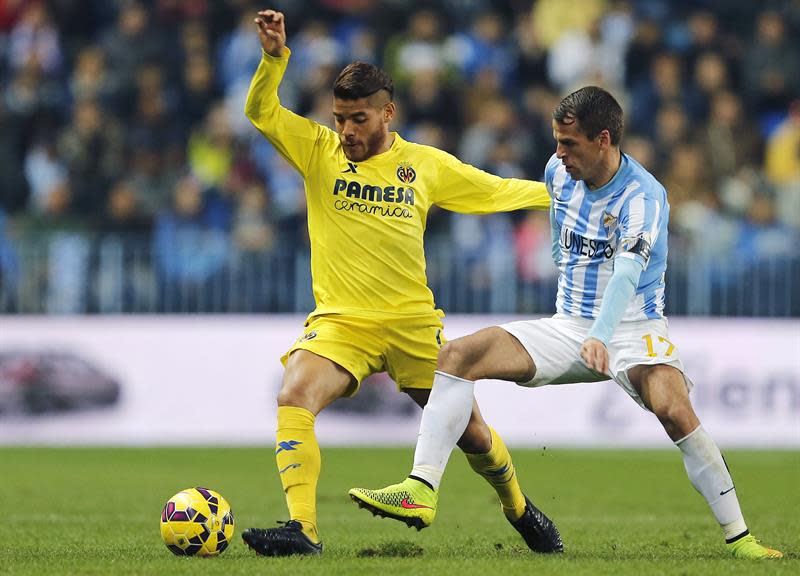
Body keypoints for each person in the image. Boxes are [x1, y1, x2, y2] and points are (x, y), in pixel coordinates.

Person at [350, 86, 784, 560]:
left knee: (673, 409)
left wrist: (600, 335)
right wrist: (559, 249)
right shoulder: (558, 172)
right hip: (568, 325)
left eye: (569, 143)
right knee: (456, 355)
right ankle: (422, 488)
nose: (559, 153)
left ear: (603, 140)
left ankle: (741, 539)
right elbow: (560, 216)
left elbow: (627, 273)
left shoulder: (644, 197)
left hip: (632, 328)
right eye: (556, 141)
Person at [240, 9, 563, 557]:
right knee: (294, 392)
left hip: (414, 324)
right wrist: (274, 60)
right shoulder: (318, 151)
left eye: (359, 119)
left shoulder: (423, 165)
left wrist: (563, 196)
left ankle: (518, 507)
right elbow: (260, 111)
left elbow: (495, 192)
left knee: (475, 437)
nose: (346, 131)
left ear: (388, 112)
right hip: (343, 323)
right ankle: (303, 529)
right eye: (340, 117)